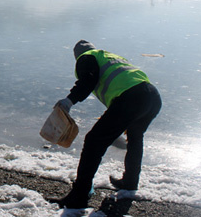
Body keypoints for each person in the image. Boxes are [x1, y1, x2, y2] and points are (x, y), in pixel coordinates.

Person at [51, 40, 162, 209]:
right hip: (152, 96)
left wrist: (69, 101)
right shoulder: (110, 57)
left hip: (131, 98)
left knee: (93, 141)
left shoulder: (86, 57)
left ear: (77, 55)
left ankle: (79, 197)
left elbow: (88, 81)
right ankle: (130, 183)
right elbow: (120, 84)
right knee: (135, 137)